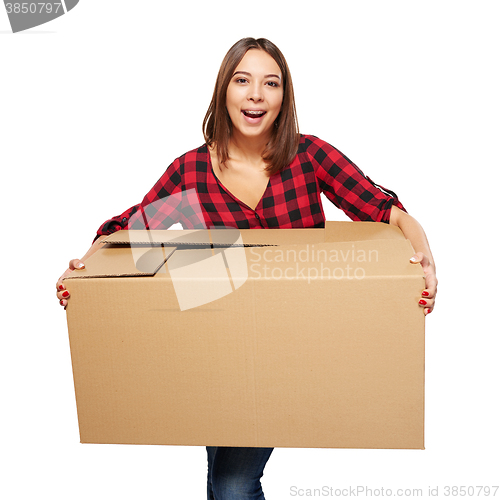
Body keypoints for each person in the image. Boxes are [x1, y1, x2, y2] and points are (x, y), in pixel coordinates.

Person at [56, 37, 437, 500]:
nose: (256, 94)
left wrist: (426, 259)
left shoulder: (309, 155)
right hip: (219, 348)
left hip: (294, 344)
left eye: (270, 83)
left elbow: (386, 212)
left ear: (283, 97)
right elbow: (134, 231)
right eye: (243, 80)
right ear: (224, 92)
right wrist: (84, 270)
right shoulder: (193, 170)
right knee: (220, 481)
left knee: (235, 482)